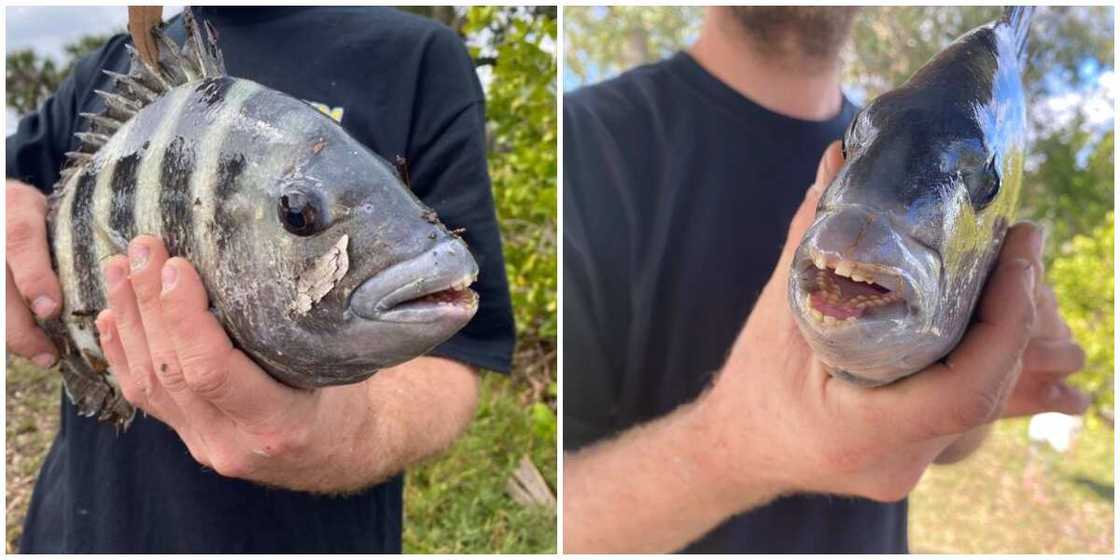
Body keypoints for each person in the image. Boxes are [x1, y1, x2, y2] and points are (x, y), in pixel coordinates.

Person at [562, 6, 1088, 553]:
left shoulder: (914, 139)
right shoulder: (579, 145)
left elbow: (937, 441)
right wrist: (732, 447)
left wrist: (981, 399)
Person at [6, 7, 515, 553]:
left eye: (298, 214)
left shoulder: (418, 58)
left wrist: (339, 434)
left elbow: (462, 343)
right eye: (300, 215)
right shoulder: (114, 61)